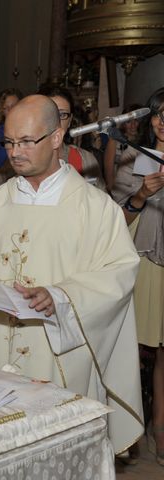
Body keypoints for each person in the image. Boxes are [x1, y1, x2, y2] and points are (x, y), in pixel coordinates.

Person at [0, 95, 143, 454]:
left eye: (25, 142)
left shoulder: (95, 209)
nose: (14, 152)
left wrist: (62, 297)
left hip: (62, 361)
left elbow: (119, 274)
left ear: (56, 137)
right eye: (9, 142)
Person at [111, 87, 164, 466]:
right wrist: (143, 196)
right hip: (150, 262)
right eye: (159, 114)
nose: (163, 121)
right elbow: (118, 222)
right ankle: (156, 425)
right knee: (152, 347)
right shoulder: (135, 160)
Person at [38, 85, 105, 190]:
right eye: (50, 113)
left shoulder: (85, 160)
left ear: (70, 121)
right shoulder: (25, 157)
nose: (57, 121)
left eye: (62, 115)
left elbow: (101, 203)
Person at [104, 104, 143, 190]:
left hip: (140, 188)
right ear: (123, 124)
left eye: (136, 120)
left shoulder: (146, 141)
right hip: (120, 189)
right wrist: (111, 188)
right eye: (128, 122)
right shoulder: (115, 140)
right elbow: (108, 167)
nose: (133, 125)